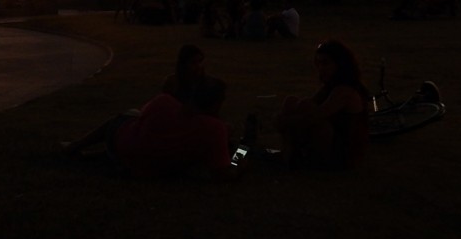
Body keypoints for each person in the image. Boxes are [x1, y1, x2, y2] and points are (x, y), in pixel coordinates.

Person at [64, 76, 236, 180]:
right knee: (134, 121)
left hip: (121, 146)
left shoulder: (164, 102)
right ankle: (94, 153)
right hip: (144, 169)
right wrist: (243, 150)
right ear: (217, 103)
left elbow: (143, 118)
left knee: (129, 117)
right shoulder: (215, 130)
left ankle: (78, 145)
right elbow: (224, 172)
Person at [273, 39, 369, 169]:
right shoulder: (332, 85)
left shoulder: (345, 91)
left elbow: (315, 116)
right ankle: (289, 153)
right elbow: (310, 104)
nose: (320, 68)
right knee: (292, 101)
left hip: (344, 153)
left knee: (309, 114)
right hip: (331, 140)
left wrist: (285, 121)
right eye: (318, 63)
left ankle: (294, 156)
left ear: (339, 64)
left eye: (325, 63)